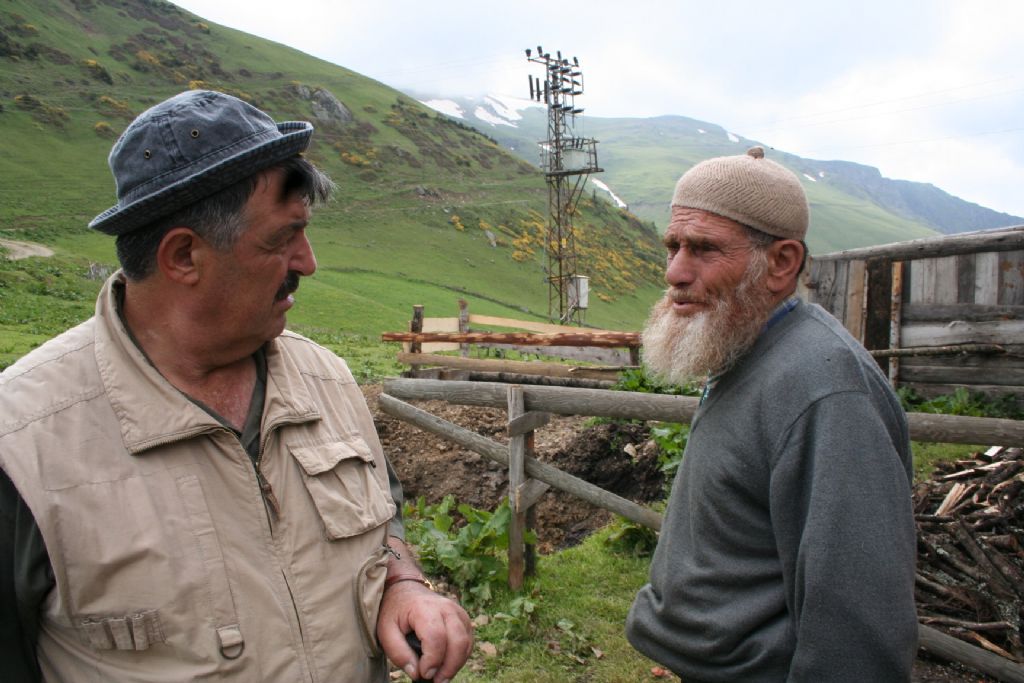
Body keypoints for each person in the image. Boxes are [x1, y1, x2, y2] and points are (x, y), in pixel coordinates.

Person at [0, 90, 472, 682]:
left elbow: (384, 518)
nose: (309, 262)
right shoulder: (20, 447)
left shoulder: (328, 380)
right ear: (183, 256)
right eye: (282, 238)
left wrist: (402, 584)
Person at [625, 147, 918, 681]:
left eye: (703, 249)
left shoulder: (823, 388)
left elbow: (859, 626)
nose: (675, 272)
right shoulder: (744, 347)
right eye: (673, 246)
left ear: (782, 263)